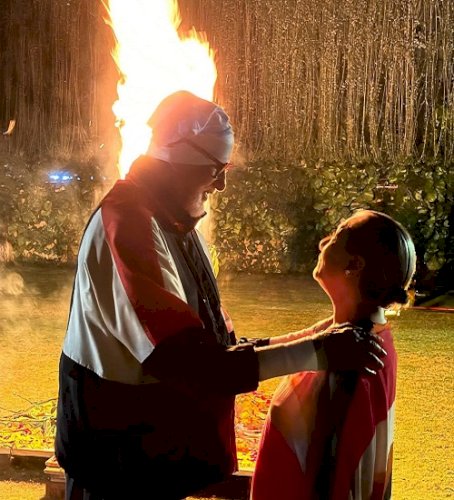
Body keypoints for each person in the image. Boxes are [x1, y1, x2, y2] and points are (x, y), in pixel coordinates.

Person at [56, 91, 386, 500]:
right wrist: (318, 351)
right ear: (179, 159)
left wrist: (314, 339)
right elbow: (194, 364)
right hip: (116, 474)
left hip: (138, 466)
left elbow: (219, 347)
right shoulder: (131, 224)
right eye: (216, 169)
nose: (222, 184)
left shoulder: (169, 223)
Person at [251, 210, 417, 500]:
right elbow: (284, 345)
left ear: (354, 264)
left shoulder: (351, 356)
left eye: (338, 236)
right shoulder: (349, 334)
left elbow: (332, 476)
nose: (322, 242)